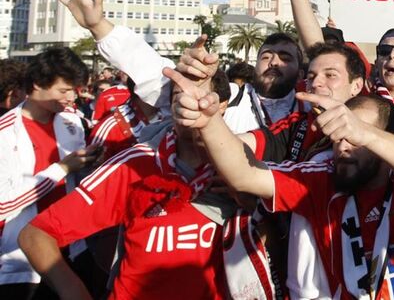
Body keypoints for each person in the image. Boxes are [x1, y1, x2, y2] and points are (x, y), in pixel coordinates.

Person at [171, 70, 394, 300]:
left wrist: (366, 135)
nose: (344, 146)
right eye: (339, 136)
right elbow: (245, 175)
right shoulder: (323, 174)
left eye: (356, 137)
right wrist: (209, 123)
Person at [18, 68, 252, 300]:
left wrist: (246, 195)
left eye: (198, 96)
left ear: (222, 105)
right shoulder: (136, 163)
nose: (186, 105)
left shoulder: (247, 170)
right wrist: (75, 293)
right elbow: (36, 235)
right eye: (178, 97)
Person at [0, 48, 99, 296]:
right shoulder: (5, 132)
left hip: (71, 250)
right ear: (37, 85)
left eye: (74, 90)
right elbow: (4, 204)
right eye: (63, 90)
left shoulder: (73, 122)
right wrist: (61, 169)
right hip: (21, 263)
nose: (71, 98)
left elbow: (79, 183)